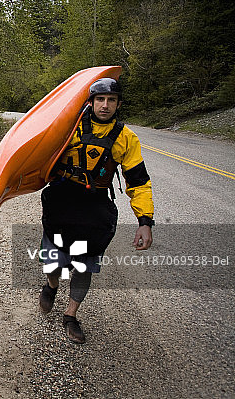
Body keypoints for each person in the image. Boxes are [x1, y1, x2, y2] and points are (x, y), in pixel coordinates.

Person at [38, 77, 154, 343]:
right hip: (62, 200)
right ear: (90, 102)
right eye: (100, 100)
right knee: (53, 259)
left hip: (94, 206)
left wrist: (145, 221)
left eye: (111, 100)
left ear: (118, 104)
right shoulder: (69, 126)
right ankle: (52, 285)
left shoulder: (126, 138)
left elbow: (138, 182)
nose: (105, 105)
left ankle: (70, 315)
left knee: (84, 264)